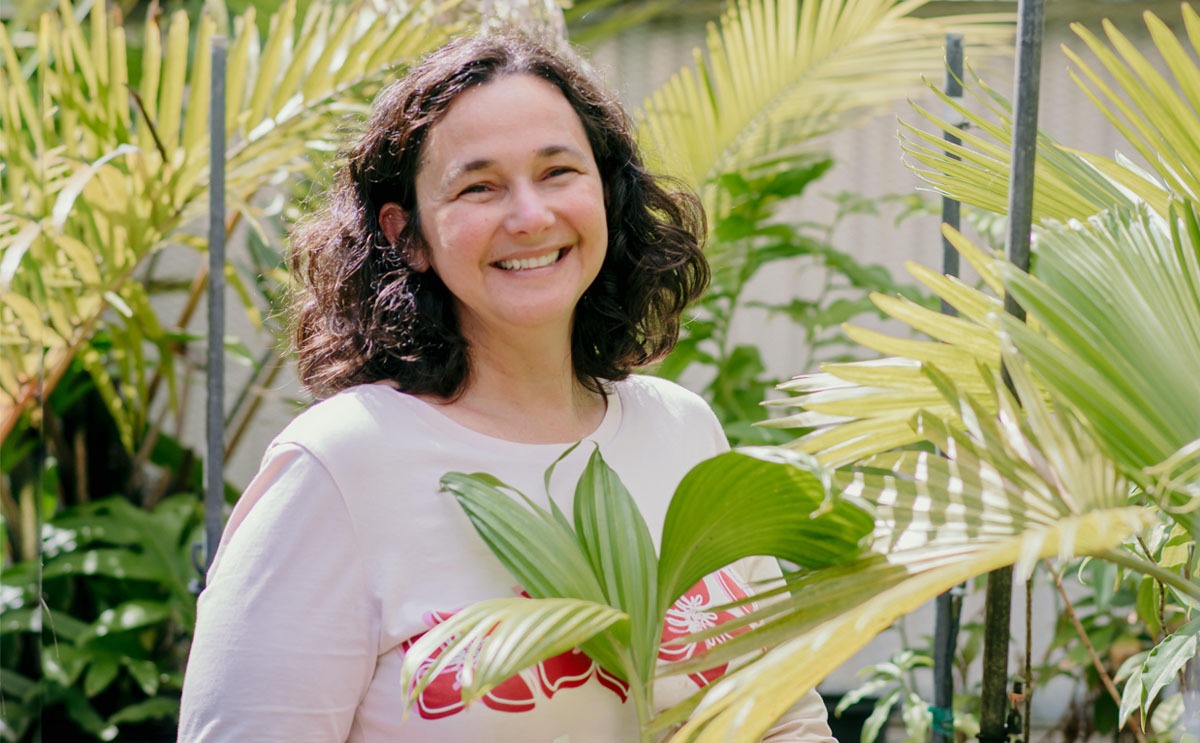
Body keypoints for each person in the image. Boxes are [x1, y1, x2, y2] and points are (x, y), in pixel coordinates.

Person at [178, 33, 836, 742]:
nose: (530, 216)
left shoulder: (681, 432)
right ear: (408, 236)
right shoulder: (340, 467)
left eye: (558, 171)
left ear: (607, 193)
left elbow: (785, 721)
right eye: (479, 187)